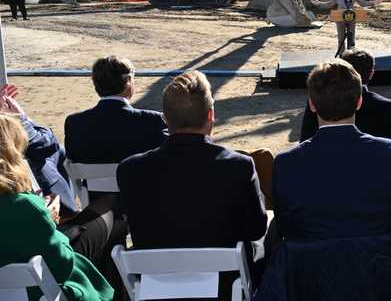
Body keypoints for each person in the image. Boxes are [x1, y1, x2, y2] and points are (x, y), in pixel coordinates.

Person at [117, 71, 268, 294]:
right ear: (210, 116)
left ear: (166, 119)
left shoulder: (130, 170)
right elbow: (256, 229)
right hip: (225, 285)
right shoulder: (239, 166)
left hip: (155, 285)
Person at [273, 59, 391, 241]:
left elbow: (286, 224)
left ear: (311, 105)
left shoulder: (286, 162)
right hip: (376, 261)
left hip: (310, 263)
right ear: (359, 102)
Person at [0, 113, 114, 301]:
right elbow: (62, 266)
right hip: (40, 292)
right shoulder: (22, 206)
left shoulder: (24, 205)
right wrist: (48, 218)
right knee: (111, 214)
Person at [65, 56, 168, 165]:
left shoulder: (75, 123)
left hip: (94, 182)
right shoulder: (153, 121)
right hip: (137, 182)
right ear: (128, 80)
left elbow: (73, 161)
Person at [0, 84, 77, 217]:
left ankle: (69, 208)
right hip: (36, 213)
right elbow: (44, 145)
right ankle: (68, 213)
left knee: (59, 152)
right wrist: (21, 118)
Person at [300, 48, 391, 141]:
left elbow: (305, 139)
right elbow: (390, 144)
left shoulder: (320, 98)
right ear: (371, 73)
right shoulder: (385, 106)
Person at [310, 0, 374, 53]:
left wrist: (374, 2)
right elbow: (330, 3)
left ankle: (351, 55)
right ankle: (341, 54)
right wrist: (319, 4)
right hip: (340, 18)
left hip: (351, 17)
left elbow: (363, 3)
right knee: (341, 38)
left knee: (351, 38)